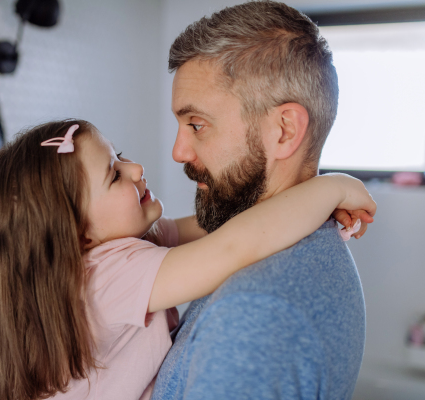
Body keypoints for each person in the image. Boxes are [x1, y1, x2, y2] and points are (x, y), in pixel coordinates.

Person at [0, 119, 375, 400]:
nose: (136, 169)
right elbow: (234, 246)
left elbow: (221, 225)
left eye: (121, 156)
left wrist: (303, 203)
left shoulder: (122, 243)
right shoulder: (107, 276)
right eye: (114, 175)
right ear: (78, 233)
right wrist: (333, 188)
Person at [152, 1, 371, 399]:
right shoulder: (309, 242)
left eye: (197, 125)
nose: (179, 151)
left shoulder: (253, 313)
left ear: (284, 131)